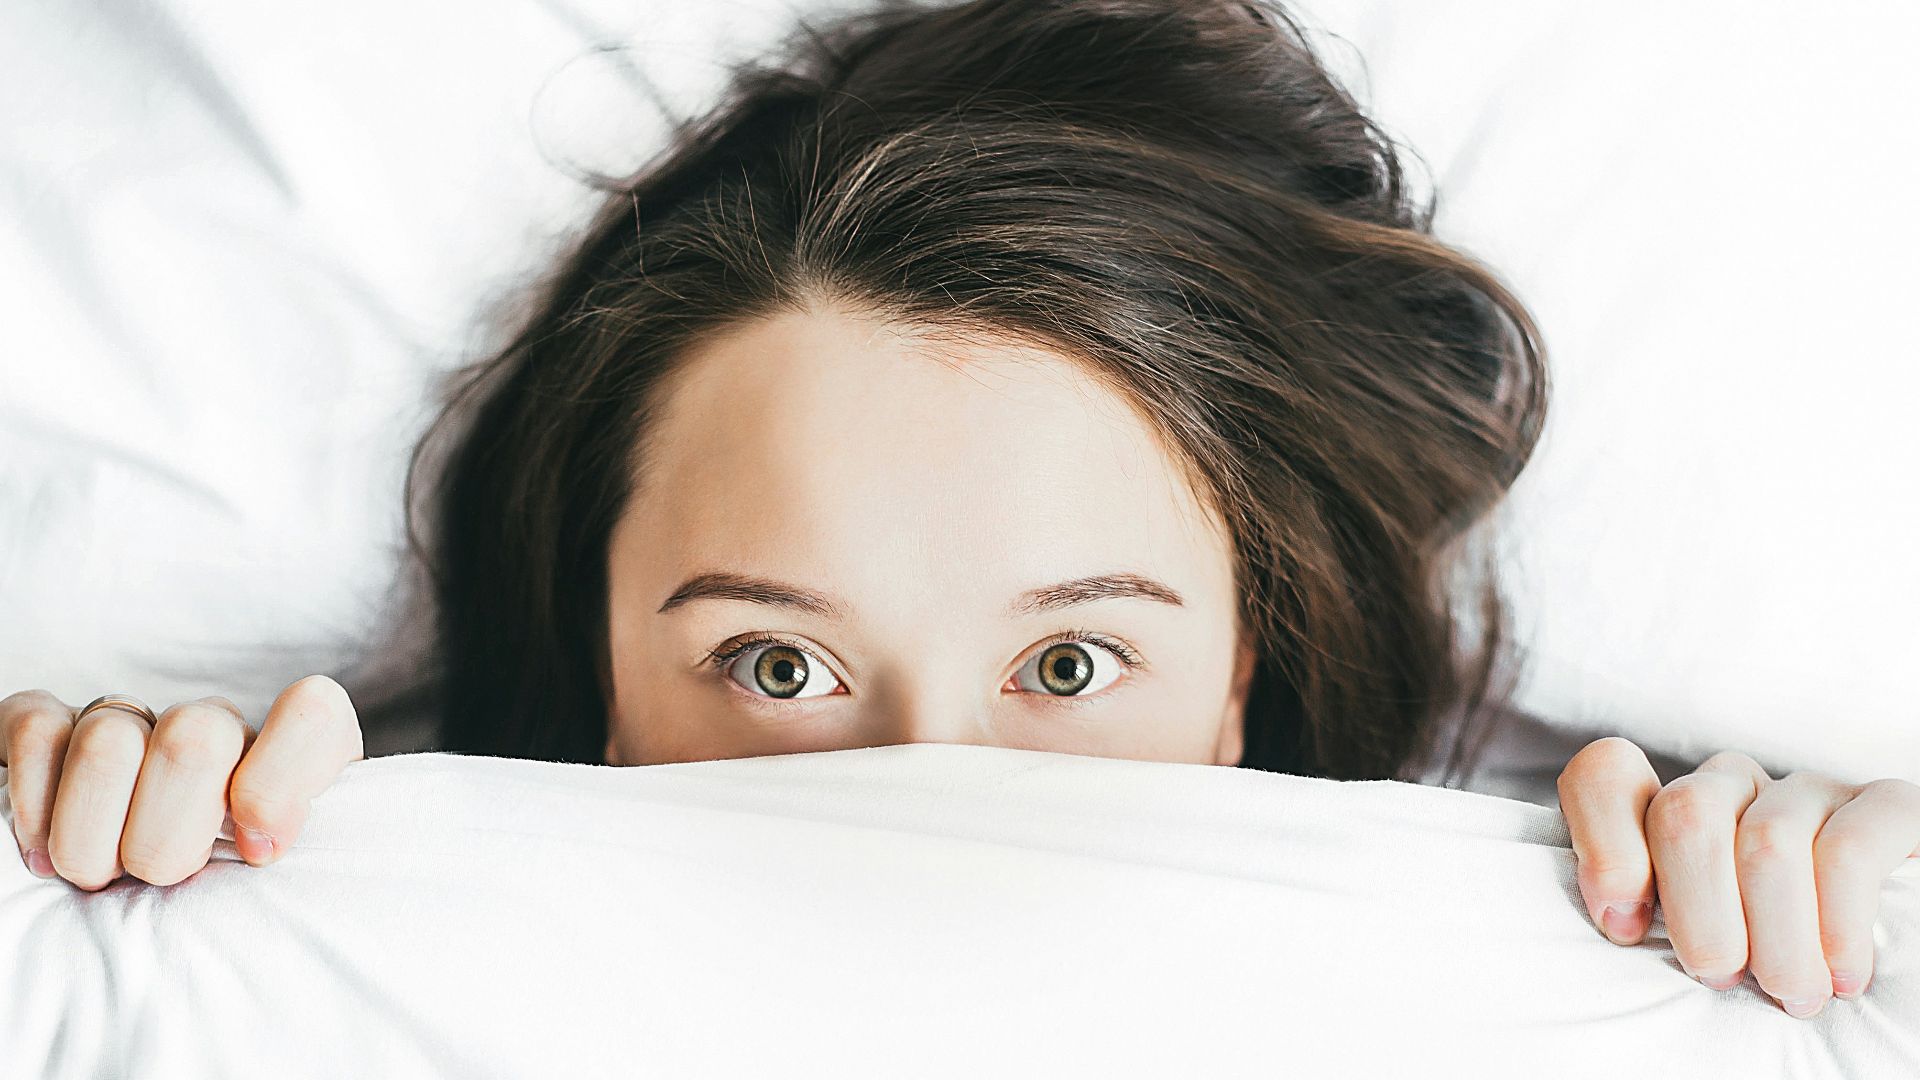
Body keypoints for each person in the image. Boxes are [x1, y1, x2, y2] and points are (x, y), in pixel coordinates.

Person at [3, 0, 1914, 1023]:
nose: (932, 779)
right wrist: (84, 846)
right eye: (775, 660)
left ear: (1249, 673)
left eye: (1073, 659)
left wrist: (1850, 914)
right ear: (592, 677)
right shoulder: (287, 950)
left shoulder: (1595, 951)